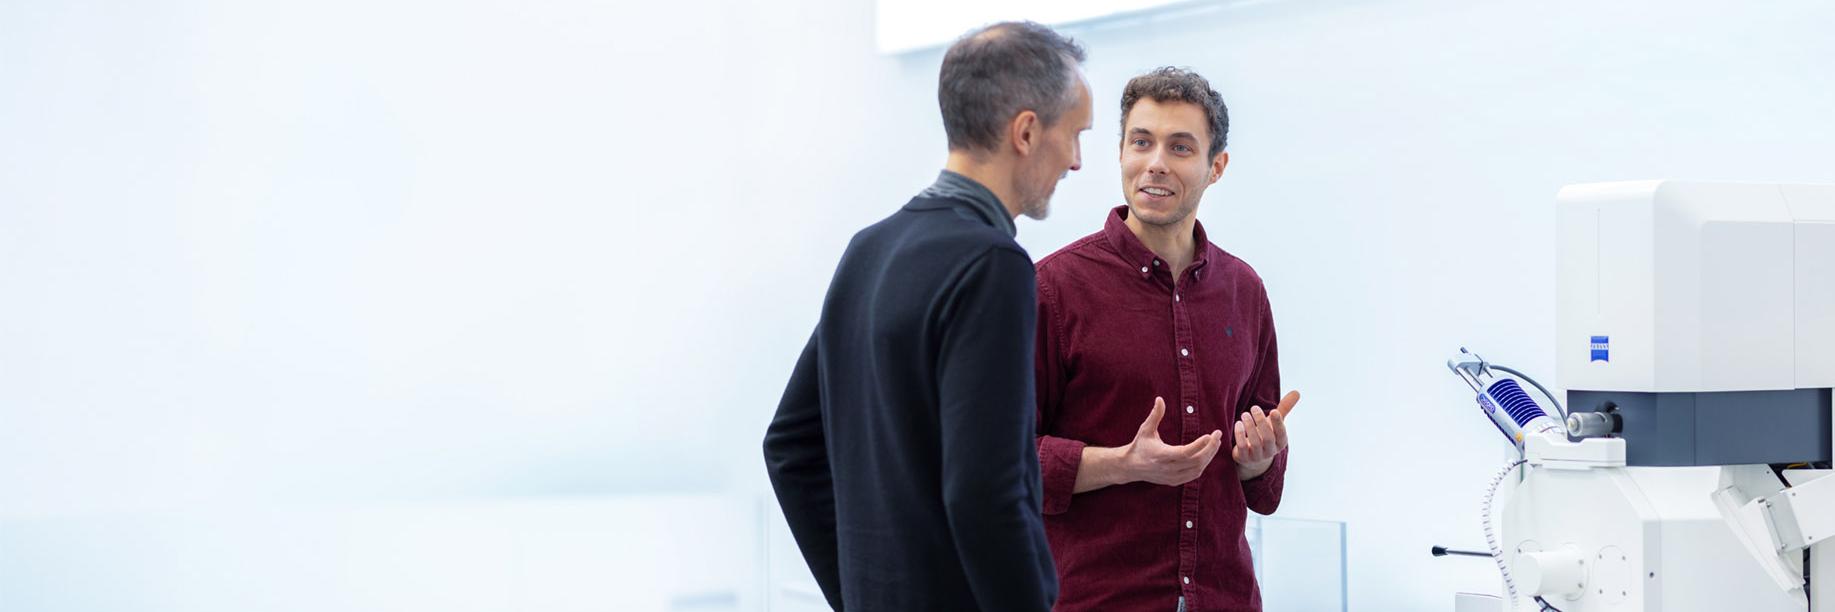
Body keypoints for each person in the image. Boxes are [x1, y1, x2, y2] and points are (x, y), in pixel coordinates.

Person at [762, 21, 1093, 612]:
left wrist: (859, 593)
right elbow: (984, 493)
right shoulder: (993, 264)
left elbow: (790, 446)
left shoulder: (869, 247)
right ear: (1025, 132)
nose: (1076, 161)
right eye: (1074, 135)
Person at [1032, 66, 1301, 612]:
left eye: (1180, 147)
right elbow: (1002, 467)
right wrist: (1124, 463)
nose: (1155, 162)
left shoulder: (1244, 291)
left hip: (1224, 598)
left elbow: (1264, 490)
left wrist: (1259, 459)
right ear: (1121, 152)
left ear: (1215, 167)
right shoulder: (1052, 289)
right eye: (1141, 141)